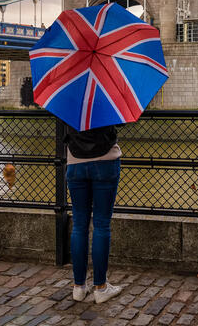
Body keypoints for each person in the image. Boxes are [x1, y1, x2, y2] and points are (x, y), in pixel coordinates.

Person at [65, 122, 123, 303]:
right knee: (101, 224)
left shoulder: (67, 97)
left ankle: (79, 287)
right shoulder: (107, 95)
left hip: (75, 163)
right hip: (106, 161)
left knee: (79, 226)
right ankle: (100, 287)